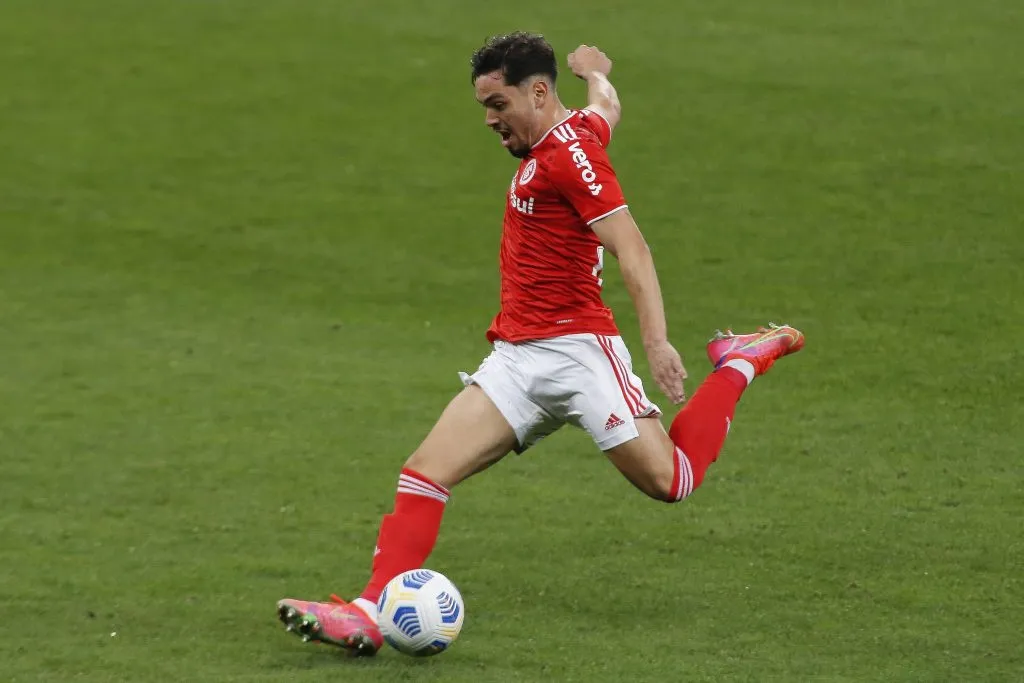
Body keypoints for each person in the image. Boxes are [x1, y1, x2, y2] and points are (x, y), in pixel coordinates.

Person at [276, 32, 804, 656]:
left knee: (673, 482)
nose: (490, 121)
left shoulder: (568, 157)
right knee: (425, 473)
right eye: (484, 107)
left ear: (536, 92)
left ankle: (739, 362)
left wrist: (657, 343)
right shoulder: (572, 130)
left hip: (581, 356)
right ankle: (367, 612)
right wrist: (596, 75)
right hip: (517, 358)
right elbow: (606, 110)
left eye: (497, 105)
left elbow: (631, 248)